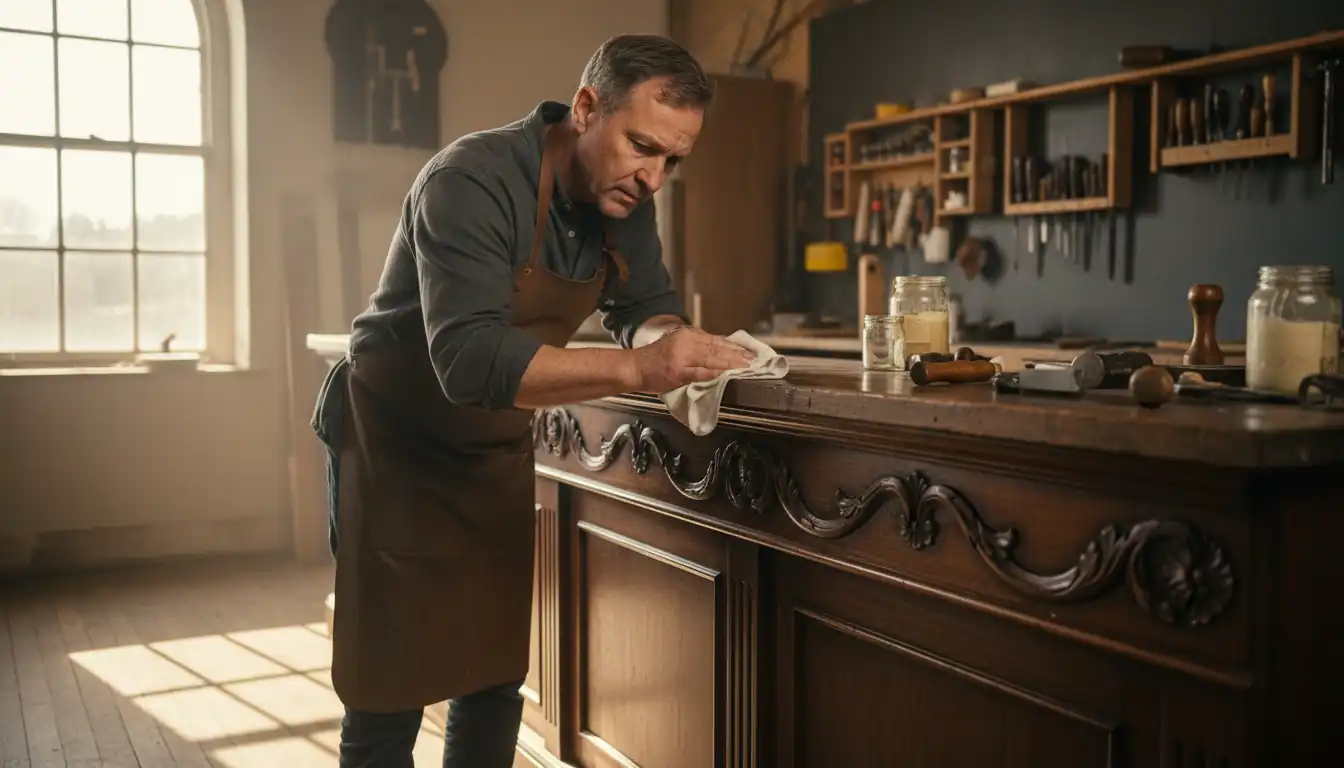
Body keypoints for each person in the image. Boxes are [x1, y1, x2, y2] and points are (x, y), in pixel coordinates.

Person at [311, 34, 755, 768]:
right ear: (586, 109)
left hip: (490, 455)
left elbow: (643, 304)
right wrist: (642, 368)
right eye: (643, 145)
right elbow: (469, 360)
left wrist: (679, 344)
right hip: (395, 446)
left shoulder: (625, 200)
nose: (653, 178)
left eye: (672, 161)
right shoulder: (470, 181)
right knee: (387, 689)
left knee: (492, 679)